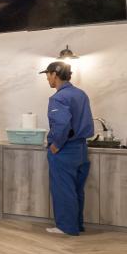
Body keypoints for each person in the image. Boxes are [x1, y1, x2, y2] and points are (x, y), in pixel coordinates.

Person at [40, 61, 94, 236]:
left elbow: (62, 125)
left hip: (65, 149)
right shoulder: (81, 94)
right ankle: (76, 224)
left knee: (63, 189)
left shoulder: (58, 98)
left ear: (55, 75)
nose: (47, 79)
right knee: (76, 189)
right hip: (81, 149)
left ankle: (66, 227)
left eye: (47, 75)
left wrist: (56, 145)